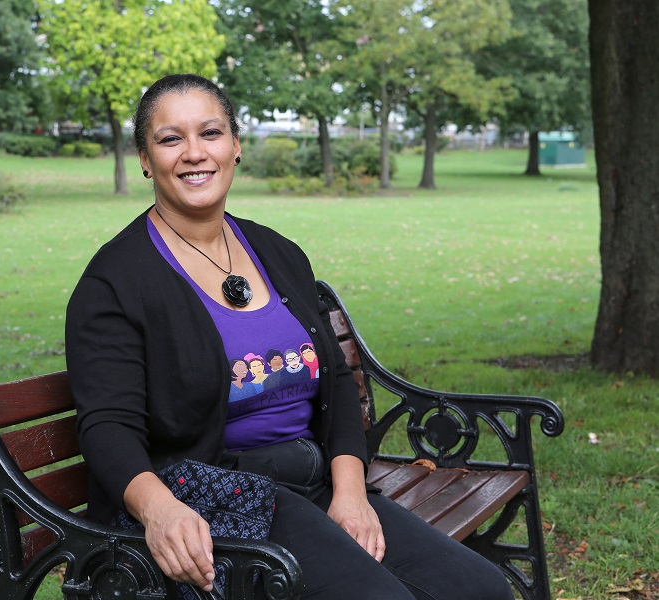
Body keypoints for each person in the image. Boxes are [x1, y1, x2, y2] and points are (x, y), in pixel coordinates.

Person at [65, 73, 514, 600]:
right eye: (170, 139)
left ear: (235, 146)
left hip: (316, 482)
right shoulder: (115, 281)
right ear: (145, 158)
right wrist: (160, 510)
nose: (194, 153)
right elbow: (107, 426)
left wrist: (350, 494)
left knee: (480, 589)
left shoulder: (277, 253)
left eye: (210, 133)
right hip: (219, 497)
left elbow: (338, 385)